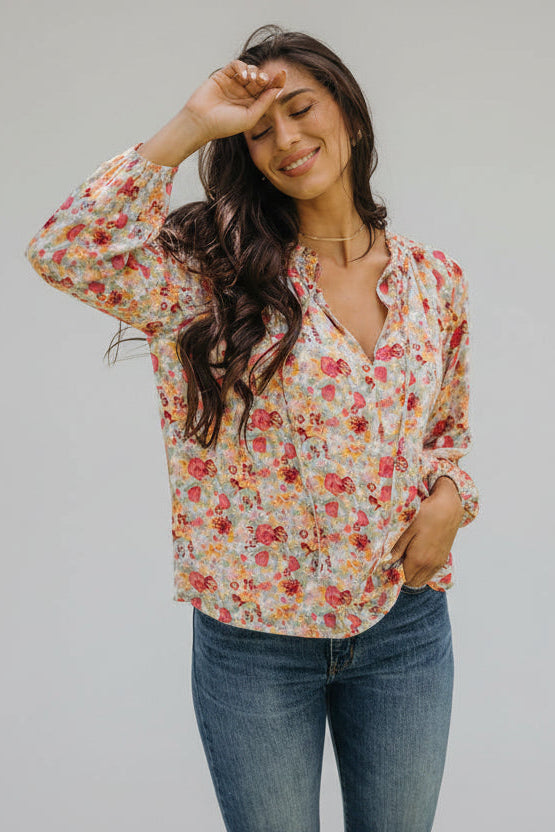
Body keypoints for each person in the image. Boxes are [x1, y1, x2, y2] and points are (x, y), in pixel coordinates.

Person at [25, 23, 479, 832]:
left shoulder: (433, 280)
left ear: (351, 113)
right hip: (256, 642)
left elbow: (445, 433)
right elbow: (66, 250)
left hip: (403, 628)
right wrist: (192, 123)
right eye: (260, 128)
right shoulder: (209, 276)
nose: (285, 140)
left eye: (301, 109)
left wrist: (450, 497)